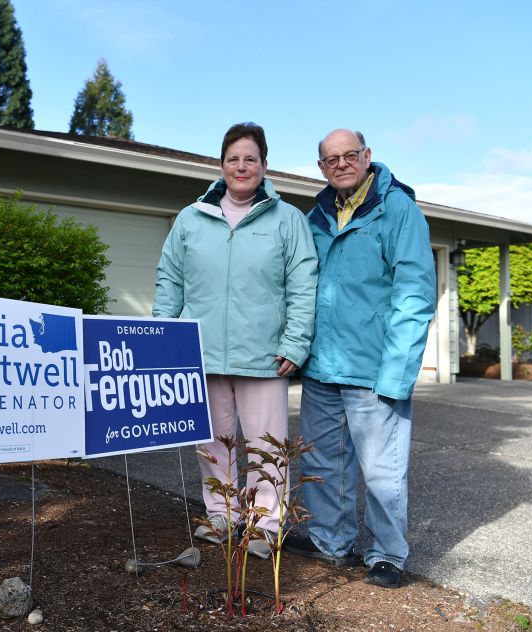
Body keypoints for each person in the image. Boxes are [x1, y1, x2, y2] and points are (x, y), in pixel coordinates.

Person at [153, 122, 318, 560]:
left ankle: (264, 525)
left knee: (267, 445)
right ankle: (221, 515)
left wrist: (296, 342)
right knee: (211, 442)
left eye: (250, 159)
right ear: (221, 165)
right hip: (201, 353)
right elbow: (170, 279)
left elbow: (304, 284)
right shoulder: (191, 219)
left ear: (265, 166)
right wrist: (164, 334)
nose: (241, 167)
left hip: (265, 356)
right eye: (233, 159)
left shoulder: (288, 220)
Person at [284, 129, 436, 588]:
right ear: (321, 167)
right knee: (321, 462)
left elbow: (414, 295)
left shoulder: (398, 211)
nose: (341, 164)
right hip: (322, 366)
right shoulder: (315, 217)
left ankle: (388, 554)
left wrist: (398, 372)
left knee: (383, 468)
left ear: (367, 156)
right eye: (331, 159)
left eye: (350, 155)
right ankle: (330, 541)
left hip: (374, 369)